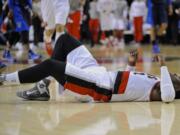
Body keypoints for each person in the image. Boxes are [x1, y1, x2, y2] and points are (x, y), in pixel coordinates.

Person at [0, 33, 179, 103]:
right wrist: (130, 64)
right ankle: (42, 87)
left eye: (178, 77)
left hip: (99, 88)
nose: (176, 73)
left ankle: (4, 80)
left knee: (51, 65)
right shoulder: (156, 82)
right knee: (64, 40)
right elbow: (130, 81)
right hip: (99, 73)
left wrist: (163, 66)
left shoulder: (162, 90)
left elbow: (168, 96)